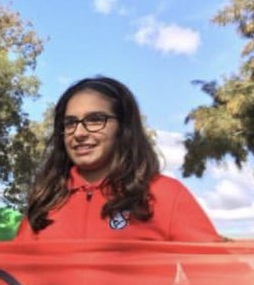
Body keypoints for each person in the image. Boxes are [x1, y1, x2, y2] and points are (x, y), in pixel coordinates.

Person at [22, 76, 221, 240]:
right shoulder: (45, 200)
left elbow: (220, 277)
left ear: (123, 128)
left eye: (95, 120)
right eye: (70, 123)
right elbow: (11, 280)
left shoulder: (165, 194)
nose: (79, 132)